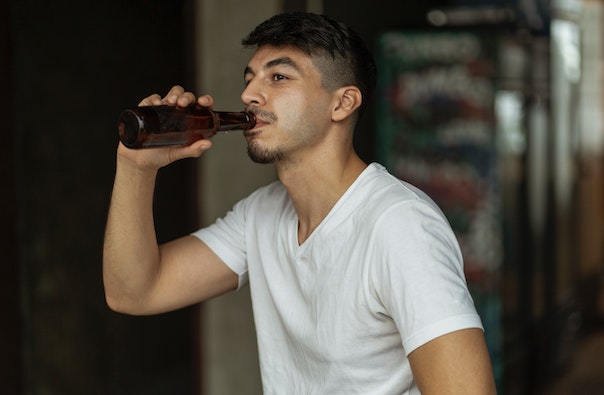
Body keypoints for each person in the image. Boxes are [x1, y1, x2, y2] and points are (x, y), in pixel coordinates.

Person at [103, 12, 496, 394]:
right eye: (250, 78)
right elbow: (135, 292)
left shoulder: (399, 226)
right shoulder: (261, 215)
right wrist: (135, 167)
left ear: (341, 104)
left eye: (278, 77)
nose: (248, 95)